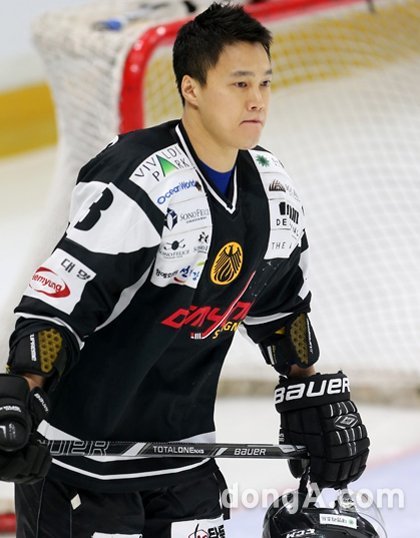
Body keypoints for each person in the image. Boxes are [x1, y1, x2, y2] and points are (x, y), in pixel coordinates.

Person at [0, 3, 370, 537]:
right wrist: (22, 391)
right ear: (190, 88)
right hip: (81, 464)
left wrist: (306, 384)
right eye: (239, 83)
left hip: (187, 461)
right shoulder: (141, 179)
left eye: (264, 83)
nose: (257, 99)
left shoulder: (272, 188)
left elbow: (281, 307)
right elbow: (64, 302)